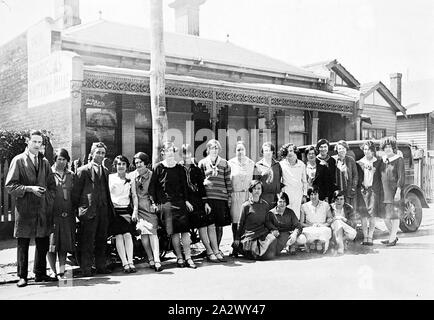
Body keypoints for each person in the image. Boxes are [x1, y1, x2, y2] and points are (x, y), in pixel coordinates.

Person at [5, 130, 57, 287]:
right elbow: (10, 186)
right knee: (23, 243)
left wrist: (47, 198)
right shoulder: (19, 160)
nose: (37, 145)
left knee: (42, 242)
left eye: (39, 142)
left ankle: (40, 274)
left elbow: (52, 186)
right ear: (27, 142)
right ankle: (22, 276)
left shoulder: (45, 162)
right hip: (25, 209)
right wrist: (29, 188)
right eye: (34, 141)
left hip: (42, 209)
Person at [149, 141, 197, 268]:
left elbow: (184, 187)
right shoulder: (158, 167)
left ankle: (188, 257)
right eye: (167, 150)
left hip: (180, 203)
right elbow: (153, 188)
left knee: (185, 231)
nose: (170, 153)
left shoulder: (179, 168)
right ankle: (179, 258)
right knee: (175, 232)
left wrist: (186, 201)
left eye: (172, 150)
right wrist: (154, 203)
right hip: (167, 205)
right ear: (163, 153)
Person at [72, 142, 115, 277]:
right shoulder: (83, 171)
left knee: (102, 240)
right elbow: (76, 194)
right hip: (89, 212)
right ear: (91, 154)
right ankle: (86, 269)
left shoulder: (106, 171)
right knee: (88, 241)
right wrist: (78, 212)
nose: (101, 155)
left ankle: (101, 266)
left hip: (103, 211)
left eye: (103, 153)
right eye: (98, 152)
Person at [179, 144, 221, 263]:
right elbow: (180, 188)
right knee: (202, 225)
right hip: (187, 202)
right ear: (181, 155)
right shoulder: (179, 169)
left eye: (189, 153)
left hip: (198, 200)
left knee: (211, 223)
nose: (187, 156)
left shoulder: (196, 169)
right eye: (184, 153)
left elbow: (202, 187)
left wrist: (206, 202)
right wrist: (186, 201)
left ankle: (216, 250)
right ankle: (209, 251)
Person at [198, 139, 232, 262]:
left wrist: (229, 196)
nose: (214, 150)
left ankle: (217, 248)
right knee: (209, 225)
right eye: (212, 148)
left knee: (219, 225)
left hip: (221, 197)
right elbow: (199, 181)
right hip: (208, 198)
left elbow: (228, 181)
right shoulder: (202, 163)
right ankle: (210, 250)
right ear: (208, 149)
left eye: (216, 148)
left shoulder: (225, 163)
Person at [47, 148, 76, 280]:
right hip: (52, 215)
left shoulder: (71, 175)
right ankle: (53, 271)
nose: (62, 161)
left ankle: (62, 270)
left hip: (68, 215)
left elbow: (75, 194)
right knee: (52, 244)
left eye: (64, 159)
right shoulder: (49, 174)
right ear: (55, 159)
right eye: (59, 159)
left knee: (64, 244)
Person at [131, 152, 162, 272]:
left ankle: (157, 259)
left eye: (140, 162)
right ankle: (150, 259)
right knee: (144, 234)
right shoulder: (132, 176)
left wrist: (155, 204)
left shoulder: (152, 175)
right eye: (136, 163)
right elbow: (133, 195)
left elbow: (157, 191)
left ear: (146, 163)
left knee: (153, 233)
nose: (138, 165)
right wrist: (135, 210)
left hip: (150, 206)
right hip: (138, 208)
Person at [234, 180, 278, 260]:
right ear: (251, 190)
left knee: (273, 240)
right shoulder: (246, 206)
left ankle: (259, 254)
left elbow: (267, 221)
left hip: (262, 233)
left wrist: (273, 229)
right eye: (255, 188)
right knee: (257, 253)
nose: (257, 191)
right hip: (249, 235)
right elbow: (240, 223)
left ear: (261, 190)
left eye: (259, 188)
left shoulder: (265, 204)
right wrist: (237, 238)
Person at [109, 155, 136, 273]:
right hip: (114, 211)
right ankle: (125, 263)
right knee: (119, 236)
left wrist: (135, 211)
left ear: (127, 166)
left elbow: (134, 195)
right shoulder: (110, 178)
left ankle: (131, 262)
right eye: (119, 164)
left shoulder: (131, 178)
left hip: (126, 210)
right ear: (115, 165)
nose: (121, 166)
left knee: (128, 235)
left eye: (123, 164)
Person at [228, 141, 255, 248]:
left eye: (242, 149)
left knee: (246, 221)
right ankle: (235, 245)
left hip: (247, 196)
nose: (240, 152)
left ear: (245, 150)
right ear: (235, 151)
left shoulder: (251, 163)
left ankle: (244, 246)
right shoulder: (230, 163)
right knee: (235, 222)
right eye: (238, 150)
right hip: (235, 195)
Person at [379, 136, 405, 247]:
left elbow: (401, 176)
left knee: (394, 216)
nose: (387, 149)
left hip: (394, 191)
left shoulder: (398, 159)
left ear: (393, 147)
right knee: (385, 217)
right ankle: (393, 235)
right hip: (384, 191)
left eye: (389, 146)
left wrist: (398, 190)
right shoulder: (383, 160)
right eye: (385, 147)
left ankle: (392, 238)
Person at [357, 140, 382, 246]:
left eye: (369, 149)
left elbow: (381, 178)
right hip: (363, 191)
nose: (367, 151)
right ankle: (365, 236)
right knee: (363, 215)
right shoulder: (359, 162)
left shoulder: (379, 162)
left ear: (373, 151)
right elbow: (357, 178)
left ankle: (370, 237)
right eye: (365, 149)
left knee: (372, 215)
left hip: (374, 191)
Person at [299, 186, 333, 254]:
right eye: (311, 194)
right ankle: (312, 243)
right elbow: (301, 223)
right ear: (309, 196)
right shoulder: (304, 206)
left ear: (318, 194)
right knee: (304, 235)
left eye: (315, 194)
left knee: (326, 230)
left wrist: (322, 225)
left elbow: (330, 219)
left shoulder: (325, 205)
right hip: (310, 228)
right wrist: (311, 225)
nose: (313, 196)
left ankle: (319, 243)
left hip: (322, 227)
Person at [279, 143, 307, 219]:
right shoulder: (281, 164)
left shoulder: (301, 165)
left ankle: (295, 230)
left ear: (295, 152)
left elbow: (304, 181)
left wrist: (304, 195)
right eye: (287, 152)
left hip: (298, 193)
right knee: (286, 214)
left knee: (296, 214)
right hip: (286, 193)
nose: (289, 153)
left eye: (291, 151)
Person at [253, 142, 282, 209]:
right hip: (262, 197)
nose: (268, 152)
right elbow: (255, 183)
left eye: (270, 150)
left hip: (275, 198)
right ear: (262, 152)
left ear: (272, 152)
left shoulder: (277, 165)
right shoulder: (258, 165)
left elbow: (279, 180)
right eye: (266, 150)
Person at [332, 140, 358, 207]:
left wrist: (353, 187)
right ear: (337, 150)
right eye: (339, 148)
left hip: (348, 191)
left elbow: (355, 175)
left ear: (346, 149)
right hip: (337, 190)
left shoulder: (350, 160)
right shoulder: (332, 160)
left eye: (343, 148)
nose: (341, 150)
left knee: (349, 210)